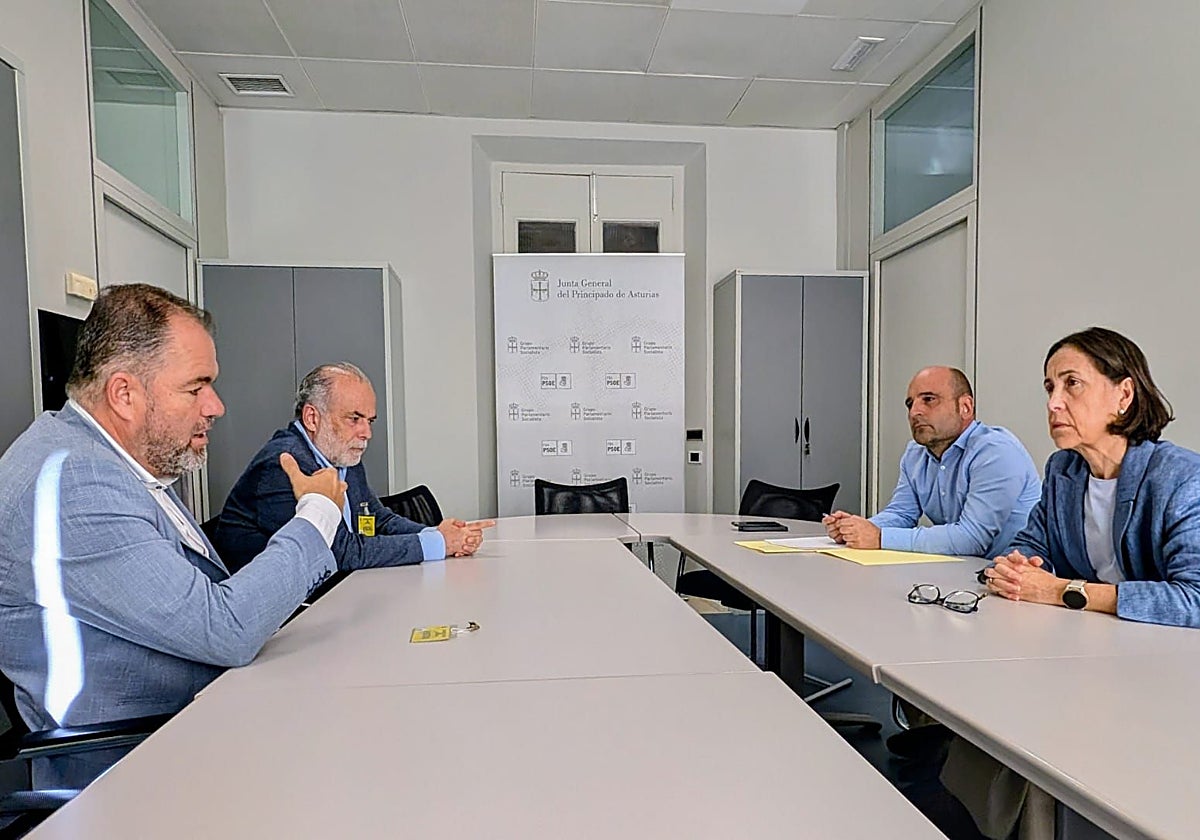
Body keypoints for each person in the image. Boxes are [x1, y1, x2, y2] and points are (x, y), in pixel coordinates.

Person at [0, 284, 346, 787]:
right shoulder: (75, 481)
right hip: (132, 772)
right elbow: (225, 629)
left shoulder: (113, 461)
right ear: (124, 394)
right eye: (195, 387)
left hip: (194, 728)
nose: (216, 406)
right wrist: (317, 513)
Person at [985, 327, 1200, 626]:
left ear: (1124, 395)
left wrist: (1062, 591)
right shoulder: (1063, 469)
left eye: (1072, 383)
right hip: (1086, 636)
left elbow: (1195, 599)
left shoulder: (1183, 477)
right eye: (1050, 388)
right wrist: (1016, 568)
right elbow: (1031, 545)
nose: (1053, 403)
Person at [215, 363, 494, 574]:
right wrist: (440, 544)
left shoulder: (340, 454)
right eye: (354, 419)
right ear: (312, 418)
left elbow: (377, 518)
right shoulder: (284, 465)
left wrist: (434, 534)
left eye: (369, 421)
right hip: (286, 618)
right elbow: (338, 553)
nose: (366, 433)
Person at [824, 366, 1041, 559]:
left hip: (1016, 579)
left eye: (929, 399)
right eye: (910, 404)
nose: (914, 412)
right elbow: (902, 514)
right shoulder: (915, 454)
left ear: (965, 407)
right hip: (960, 571)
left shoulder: (995, 451)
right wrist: (855, 529)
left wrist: (879, 537)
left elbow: (972, 538)